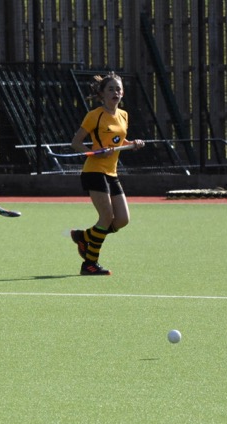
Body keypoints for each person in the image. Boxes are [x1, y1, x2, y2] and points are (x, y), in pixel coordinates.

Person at [70, 72, 144, 275]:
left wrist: (132, 143)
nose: (115, 92)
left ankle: (85, 237)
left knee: (121, 220)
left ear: (123, 93)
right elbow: (76, 143)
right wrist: (95, 152)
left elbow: (118, 141)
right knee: (106, 217)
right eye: (111, 89)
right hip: (94, 171)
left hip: (111, 173)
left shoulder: (124, 115)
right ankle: (89, 264)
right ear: (102, 94)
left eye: (118, 89)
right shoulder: (95, 115)